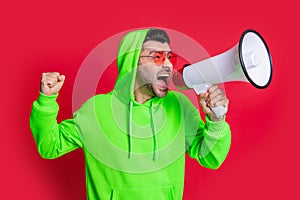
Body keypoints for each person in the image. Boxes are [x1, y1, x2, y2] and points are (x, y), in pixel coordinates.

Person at [30, 28, 231, 200]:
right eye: (157, 57)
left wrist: (217, 120)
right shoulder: (95, 109)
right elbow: (49, 146)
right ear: (133, 60)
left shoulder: (179, 106)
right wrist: (46, 100)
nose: (169, 65)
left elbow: (211, 158)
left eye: (170, 57)